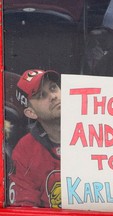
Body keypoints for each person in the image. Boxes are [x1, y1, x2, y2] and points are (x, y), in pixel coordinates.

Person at [8, 69, 61, 208]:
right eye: (41, 95)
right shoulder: (24, 150)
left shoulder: (98, 129)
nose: (53, 96)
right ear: (31, 113)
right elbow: (25, 207)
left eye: (53, 88)